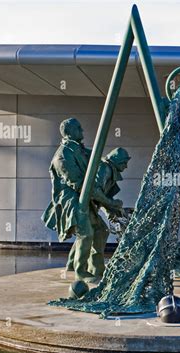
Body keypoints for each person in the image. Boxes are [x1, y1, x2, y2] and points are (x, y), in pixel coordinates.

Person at [42, 118, 130, 283]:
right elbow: (78, 183)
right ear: (69, 131)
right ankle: (80, 271)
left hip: (84, 197)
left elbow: (99, 161)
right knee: (86, 232)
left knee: (101, 230)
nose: (82, 130)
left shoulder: (80, 150)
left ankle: (95, 268)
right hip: (71, 199)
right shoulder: (62, 155)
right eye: (78, 128)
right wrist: (109, 203)